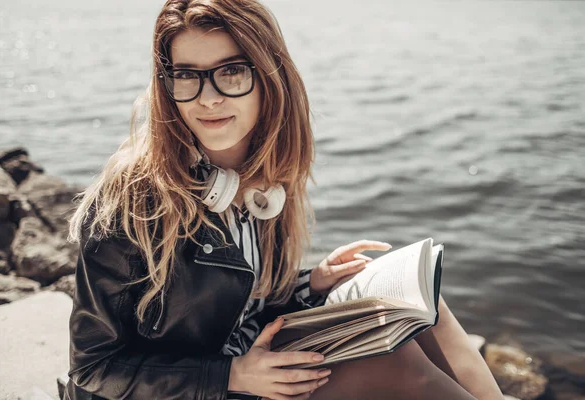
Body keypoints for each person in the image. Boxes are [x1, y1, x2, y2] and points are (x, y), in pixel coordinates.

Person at [64, 1, 505, 399]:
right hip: (202, 385)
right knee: (400, 365)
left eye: (231, 72)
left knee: (422, 307)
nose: (209, 97)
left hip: (250, 361)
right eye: (186, 76)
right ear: (167, 85)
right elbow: (93, 366)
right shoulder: (133, 200)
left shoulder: (264, 178)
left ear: (267, 77)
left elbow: (237, 300)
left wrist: (309, 285)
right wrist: (232, 375)